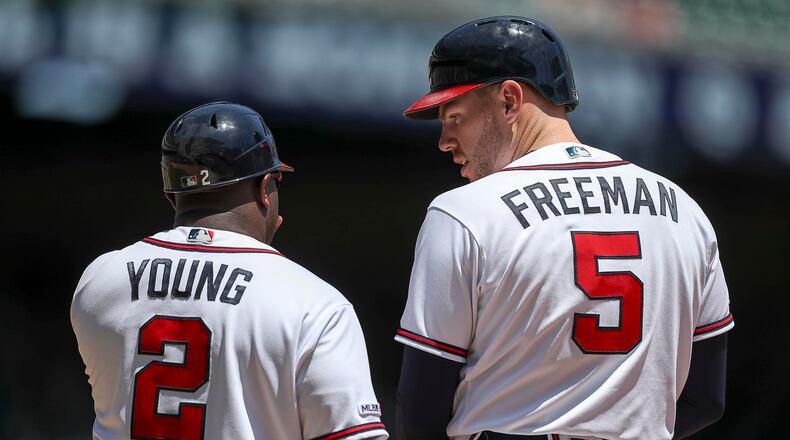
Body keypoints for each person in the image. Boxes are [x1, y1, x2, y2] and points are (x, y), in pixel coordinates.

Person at [394, 16, 733, 440]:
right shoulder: (685, 210)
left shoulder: (463, 213)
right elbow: (707, 399)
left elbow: (421, 410)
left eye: (455, 116)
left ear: (509, 101)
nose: (444, 140)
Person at [71, 102, 388, 440]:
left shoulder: (99, 282)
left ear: (172, 196)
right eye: (277, 180)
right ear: (264, 189)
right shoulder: (315, 305)